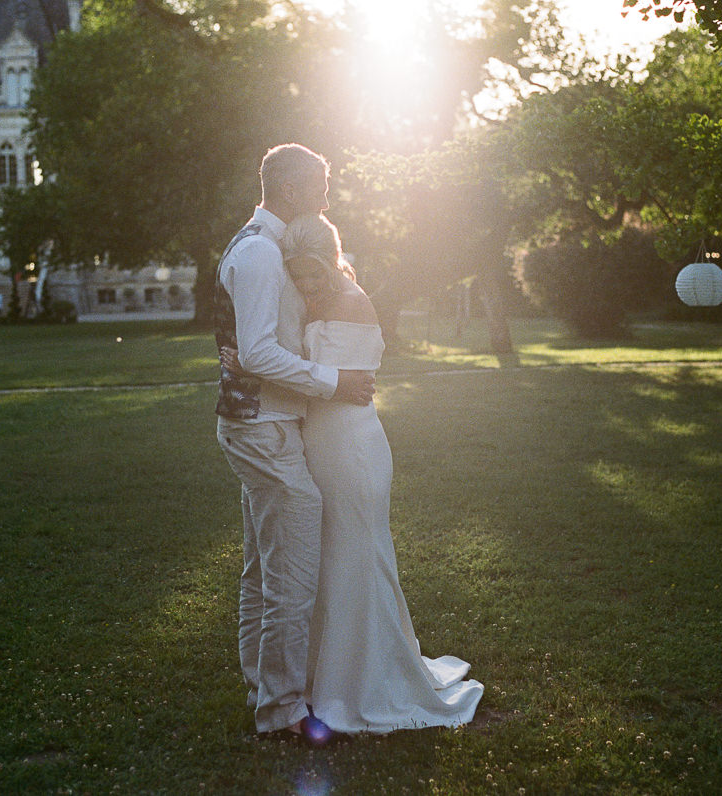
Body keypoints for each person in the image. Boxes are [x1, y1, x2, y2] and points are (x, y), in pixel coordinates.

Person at [223, 214, 484, 734]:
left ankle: (361, 683)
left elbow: (331, 383)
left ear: (332, 260)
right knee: (326, 561)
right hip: (319, 444)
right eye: (296, 275)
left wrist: (251, 362)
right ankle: (324, 677)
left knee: (353, 560)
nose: (305, 285)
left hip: (348, 449)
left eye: (313, 272)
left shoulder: (348, 301)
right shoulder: (317, 301)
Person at [213, 144, 376, 742]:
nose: (327, 197)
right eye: (320, 185)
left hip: (261, 424)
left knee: (263, 569)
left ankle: (264, 690)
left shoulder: (259, 245)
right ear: (287, 188)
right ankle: (282, 710)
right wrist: (336, 383)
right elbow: (255, 353)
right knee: (292, 575)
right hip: (263, 427)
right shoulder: (257, 253)